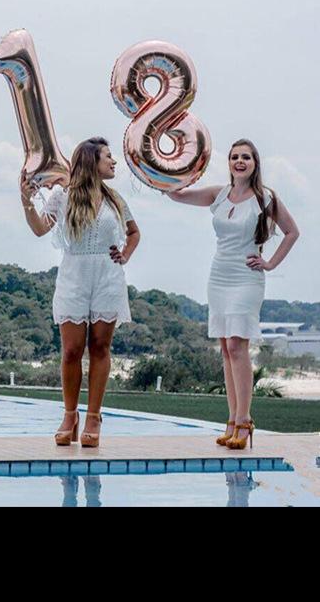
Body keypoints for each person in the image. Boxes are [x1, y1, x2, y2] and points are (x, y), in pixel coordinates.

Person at [167, 139, 299, 449]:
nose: (240, 161)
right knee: (226, 349)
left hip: (246, 277)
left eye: (246, 157)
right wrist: (164, 173)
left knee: (238, 346)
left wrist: (269, 263)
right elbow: (177, 195)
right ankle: (231, 420)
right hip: (219, 275)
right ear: (228, 162)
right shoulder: (219, 194)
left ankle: (244, 419)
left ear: (255, 163)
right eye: (235, 157)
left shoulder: (266, 198)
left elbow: (292, 232)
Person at [21, 137, 140, 447]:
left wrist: (125, 254)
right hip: (73, 275)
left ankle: (94, 417)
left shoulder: (115, 199)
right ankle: (69, 415)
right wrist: (26, 202)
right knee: (72, 349)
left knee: (100, 347)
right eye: (108, 157)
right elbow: (40, 228)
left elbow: (133, 232)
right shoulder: (63, 196)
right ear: (91, 161)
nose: (113, 162)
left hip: (107, 277)